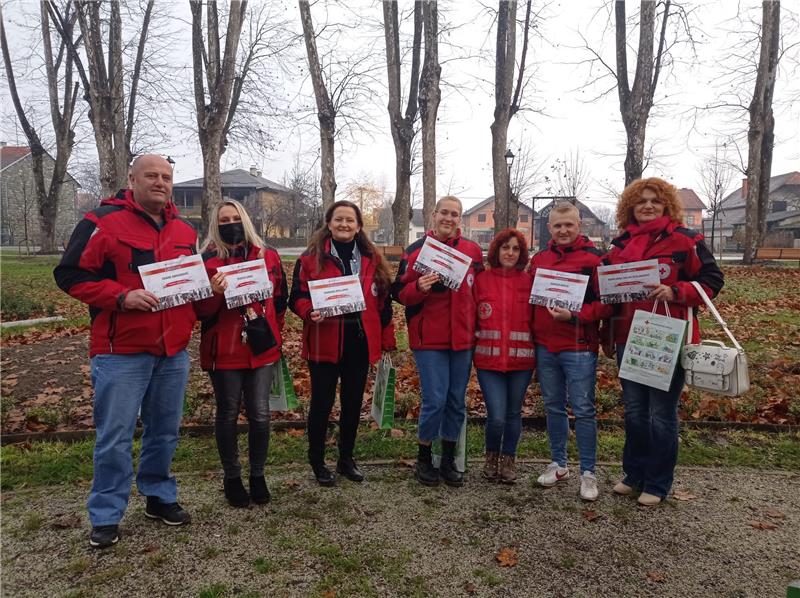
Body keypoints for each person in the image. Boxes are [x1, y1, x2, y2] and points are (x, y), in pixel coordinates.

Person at [54, 155, 195, 549]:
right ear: (131, 178)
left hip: (173, 350)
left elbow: (187, 282)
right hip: (121, 351)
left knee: (164, 431)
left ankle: (159, 495)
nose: (160, 182)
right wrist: (120, 296)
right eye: (151, 175)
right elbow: (70, 274)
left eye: (166, 177)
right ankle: (106, 514)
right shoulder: (101, 222)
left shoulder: (184, 229)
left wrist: (209, 289)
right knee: (114, 437)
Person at [604, 178, 724, 506]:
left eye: (655, 201)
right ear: (630, 207)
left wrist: (676, 291)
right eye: (641, 201)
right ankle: (634, 474)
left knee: (661, 413)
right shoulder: (619, 245)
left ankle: (657, 483)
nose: (647, 206)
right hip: (629, 337)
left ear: (666, 205)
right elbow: (605, 291)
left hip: (667, 338)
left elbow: (713, 280)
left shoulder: (686, 240)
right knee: (634, 412)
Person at [289, 200, 396, 486]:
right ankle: (317, 460)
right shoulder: (309, 258)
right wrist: (307, 311)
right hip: (324, 340)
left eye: (350, 220)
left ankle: (346, 459)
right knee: (322, 404)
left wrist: (387, 339)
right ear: (329, 223)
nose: (344, 224)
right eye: (339, 219)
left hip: (359, 342)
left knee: (352, 405)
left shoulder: (371, 257)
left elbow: (384, 302)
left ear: (359, 226)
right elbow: (295, 297)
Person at [195, 199, 287, 508]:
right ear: (215, 224)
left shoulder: (268, 256)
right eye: (224, 219)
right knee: (228, 413)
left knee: (260, 415)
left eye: (235, 218)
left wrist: (276, 333)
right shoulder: (206, 260)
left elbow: (279, 298)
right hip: (224, 349)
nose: (230, 223)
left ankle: (257, 474)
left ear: (245, 220)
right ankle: (232, 476)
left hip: (260, 347)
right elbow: (200, 311)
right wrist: (214, 292)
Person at [392, 196, 484, 487]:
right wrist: (418, 287)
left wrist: (480, 327)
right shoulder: (416, 251)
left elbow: (479, 292)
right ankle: (423, 456)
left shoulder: (472, 251)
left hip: (462, 338)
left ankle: (447, 459)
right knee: (435, 400)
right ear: (433, 215)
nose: (449, 218)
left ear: (460, 219)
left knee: (456, 401)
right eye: (444, 212)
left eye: (454, 214)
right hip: (428, 338)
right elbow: (399, 293)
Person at [529, 202, 609, 501]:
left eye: (569, 225)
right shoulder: (540, 259)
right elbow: (532, 301)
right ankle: (559, 463)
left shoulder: (594, 259)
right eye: (557, 226)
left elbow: (607, 303)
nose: (563, 230)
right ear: (549, 228)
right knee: (553, 407)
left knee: (584, 409)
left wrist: (575, 316)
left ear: (580, 225)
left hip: (578, 347)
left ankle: (588, 472)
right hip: (546, 346)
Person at [473, 229, 535, 484]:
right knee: (496, 416)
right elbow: (470, 316)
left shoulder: (530, 281)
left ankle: (508, 460)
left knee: (513, 414)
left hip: (522, 361)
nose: (510, 253)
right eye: (505, 247)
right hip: (489, 362)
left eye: (516, 249)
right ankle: (491, 457)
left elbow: (538, 321)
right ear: (496, 250)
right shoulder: (481, 281)